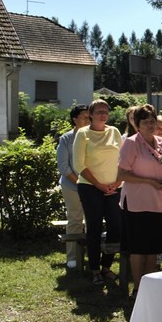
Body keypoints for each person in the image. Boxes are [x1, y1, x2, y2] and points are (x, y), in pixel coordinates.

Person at [118, 105, 162, 298]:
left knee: (153, 247)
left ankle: (149, 286)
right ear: (137, 125)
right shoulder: (131, 143)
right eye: (146, 122)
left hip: (158, 202)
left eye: (153, 121)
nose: (150, 125)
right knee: (138, 248)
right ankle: (137, 288)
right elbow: (122, 173)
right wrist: (149, 181)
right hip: (137, 203)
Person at [73, 99, 122, 286]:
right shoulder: (83, 134)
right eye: (99, 111)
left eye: (106, 111)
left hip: (114, 188)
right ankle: (94, 269)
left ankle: (106, 266)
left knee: (115, 227)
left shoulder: (114, 132)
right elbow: (79, 165)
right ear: (91, 115)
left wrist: (118, 182)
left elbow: (123, 159)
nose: (103, 114)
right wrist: (99, 185)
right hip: (90, 187)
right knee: (94, 227)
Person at [56, 104, 90, 269]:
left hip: (93, 186)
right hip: (72, 186)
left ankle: (93, 255)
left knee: (93, 220)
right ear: (75, 119)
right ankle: (73, 257)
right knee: (75, 219)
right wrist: (79, 182)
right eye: (84, 116)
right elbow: (63, 166)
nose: (87, 119)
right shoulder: (66, 138)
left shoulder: (95, 136)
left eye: (89, 116)